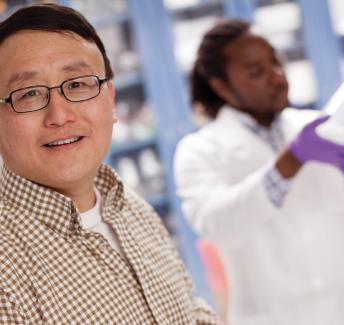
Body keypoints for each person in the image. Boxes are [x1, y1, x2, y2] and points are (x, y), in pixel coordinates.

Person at [0, 4, 220, 324]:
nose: (60, 115)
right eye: (29, 93)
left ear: (110, 100)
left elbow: (187, 310)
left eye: (77, 84)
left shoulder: (128, 206)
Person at [174, 18, 344, 325]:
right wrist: (292, 160)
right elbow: (217, 223)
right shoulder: (199, 151)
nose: (277, 76)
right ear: (221, 86)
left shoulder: (319, 127)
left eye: (276, 62)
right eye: (256, 72)